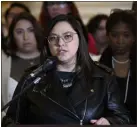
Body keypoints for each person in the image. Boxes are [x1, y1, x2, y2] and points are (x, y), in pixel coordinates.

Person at [2, 14, 131, 126]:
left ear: (79, 39)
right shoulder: (32, 78)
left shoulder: (103, 77)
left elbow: (123, 118)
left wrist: (109, 122)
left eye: (67, 36)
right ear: (48, 44)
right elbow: (10, 120)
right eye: (53, 38)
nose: (60, 43)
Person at [1, 12, 45, 116]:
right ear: (12, 36)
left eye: (30, 30)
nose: (26, 37)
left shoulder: (52, 59)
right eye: (19, 32)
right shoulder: (3, 63)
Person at [100, 9, 136, 124]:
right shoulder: (98, 68)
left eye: (126, 35)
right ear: (107, 36)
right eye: (115, 35)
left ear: (134, 37)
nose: (120, 41)